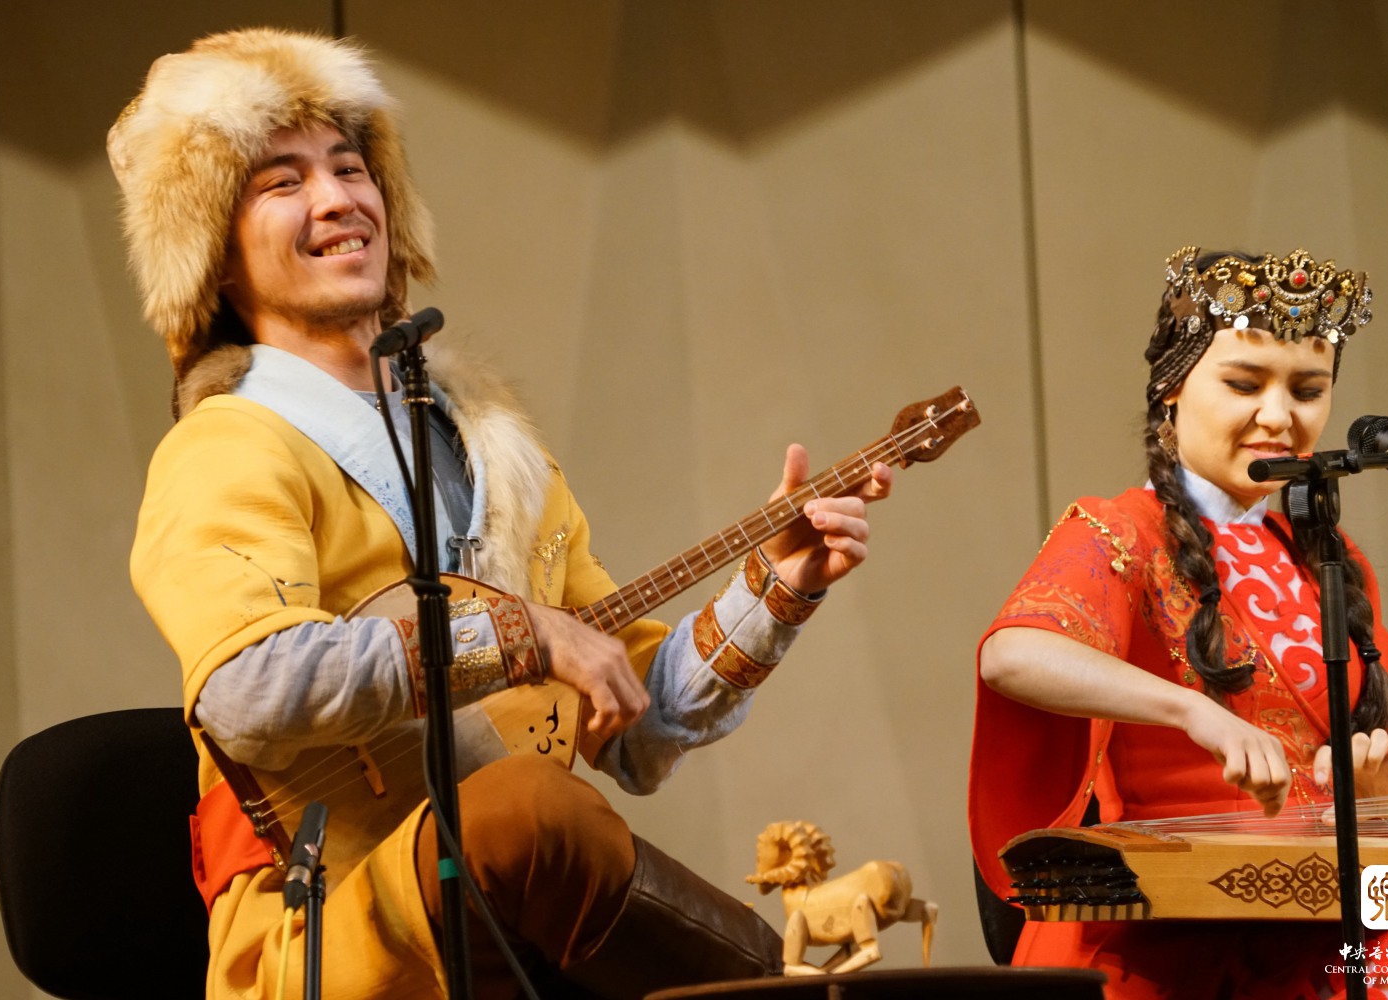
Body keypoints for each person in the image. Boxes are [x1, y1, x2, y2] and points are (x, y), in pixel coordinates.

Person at [112, 28, 891, 1000]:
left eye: (350, 167)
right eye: (282, 182)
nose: (338, 198)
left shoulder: (494, 451)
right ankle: (788, 991)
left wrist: (776, 587)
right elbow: (247, 688)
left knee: (537, 806)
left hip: (508, 911)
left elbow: (638, 728)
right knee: (531, 807)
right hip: (325, 922)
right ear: (214, 257)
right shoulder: (226, 447)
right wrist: (524, 636)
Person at [970, 246, 1388, 998]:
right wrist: (1193, 710)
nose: (1279, 417)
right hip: (1177, 929)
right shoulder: (1120, 530)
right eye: (1243, 384)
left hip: (1324, 907)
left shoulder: (1326, 558)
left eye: (1308, 390)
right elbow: (1014, 653)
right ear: (1172, 388)